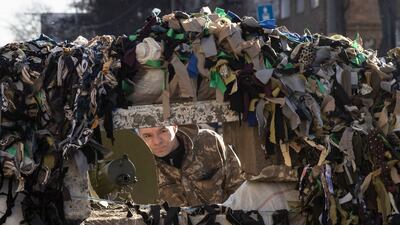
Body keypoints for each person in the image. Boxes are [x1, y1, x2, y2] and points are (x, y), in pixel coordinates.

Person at [136, 125, 244, 206]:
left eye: (163, 131)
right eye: (147, 136)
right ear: (139, 137)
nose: (157, 141)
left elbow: (239, 189)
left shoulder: (209, 141)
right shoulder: (139, 168)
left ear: (174, 127)